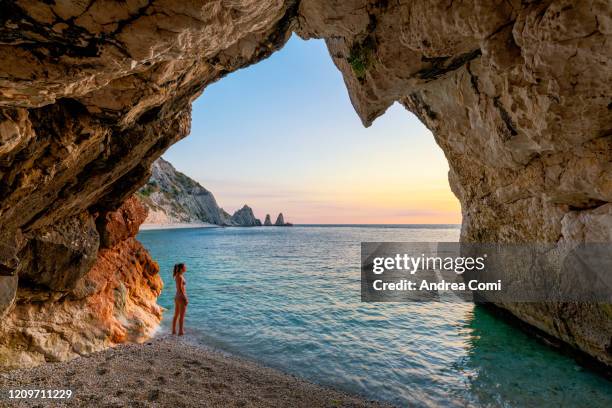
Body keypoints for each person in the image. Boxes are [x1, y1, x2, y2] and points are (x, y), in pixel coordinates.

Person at [172, 263, 188, 336]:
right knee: (181, 316)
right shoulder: (180, 277)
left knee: (176, 315)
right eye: (185, 267)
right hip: (181, 297)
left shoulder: (177, 276)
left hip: (177, 296)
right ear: (181, 268)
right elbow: (181, 288)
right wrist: (185, 297)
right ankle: (180, 332)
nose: (186, 268)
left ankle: (174, 330)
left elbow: (179, 288)